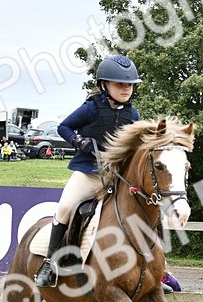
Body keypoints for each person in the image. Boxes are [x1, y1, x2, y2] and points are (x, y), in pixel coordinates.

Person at [34, 55, 142, 287]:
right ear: (104, 85)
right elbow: (64, 127)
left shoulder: (133, 116)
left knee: (145, 209)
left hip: (116, 177)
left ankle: (156, 271)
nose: (126, 89)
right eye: (120, 84)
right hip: (89, 173)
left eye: (129, 85)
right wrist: (78, 141)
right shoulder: (91, 108)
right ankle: (50, 264)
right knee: (64, 207)